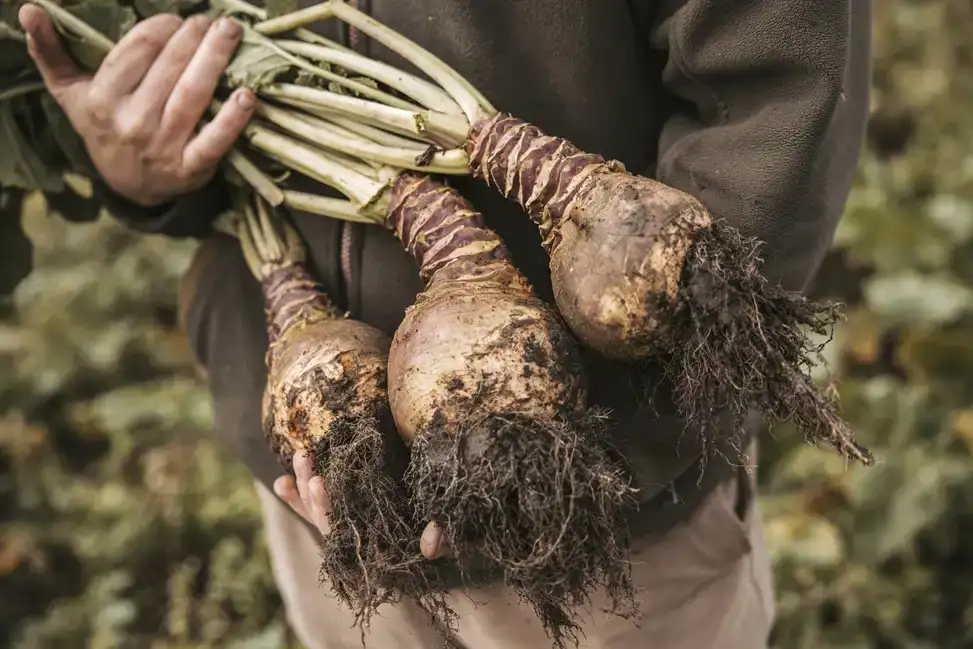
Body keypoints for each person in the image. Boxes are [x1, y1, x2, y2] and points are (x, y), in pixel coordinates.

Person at [17, 1, 872, 647]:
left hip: (611, 497)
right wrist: (140, 168)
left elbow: (777, 97)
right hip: (325, 478)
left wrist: (568, 436)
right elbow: (172, 102)